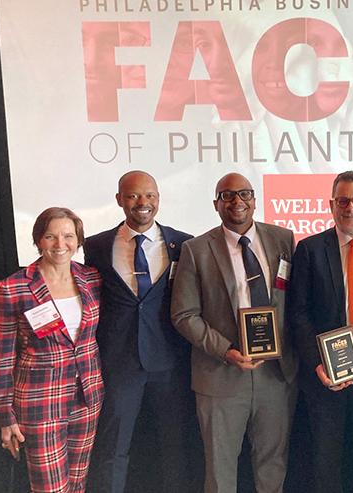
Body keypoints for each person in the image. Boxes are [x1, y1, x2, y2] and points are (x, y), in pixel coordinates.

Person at [171, 172, 297, 493]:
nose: (237, 201)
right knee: (220, 469)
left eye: (245, 194)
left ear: (255, 200)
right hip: (220, 375)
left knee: (273, 464)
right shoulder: (195, 250)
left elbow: (295, 301)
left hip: (275, 374)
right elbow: (184, 315)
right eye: (227, 195)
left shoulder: (284, 239)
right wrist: (226, 350)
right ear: (216, 204)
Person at [85, 170, 200, 493]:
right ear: (119, 200)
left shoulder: (183, 243)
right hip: (120, 363)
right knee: (114, 449)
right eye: (134, 196)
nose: (143, 203)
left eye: (150, 195)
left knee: (175, 446)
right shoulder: (96, 246)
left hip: (170, 362)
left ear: (158, 200)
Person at [287, 170, 353, 493]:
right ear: (332, 205)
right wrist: (317, 364)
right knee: (326, 459)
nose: (351, 208)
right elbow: (298, 313)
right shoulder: (309, 249)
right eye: (344, 200)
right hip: (325, 374)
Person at [0, 207, 103, 492]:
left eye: (68, 236)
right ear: (38, 240)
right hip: (41, 404)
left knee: (78, 485)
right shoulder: (12, 288)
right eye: (50, 236)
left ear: (78, 241)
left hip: (87, 399)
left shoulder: (91, 279)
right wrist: (6, 418)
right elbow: (2, 359)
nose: (60, 244)